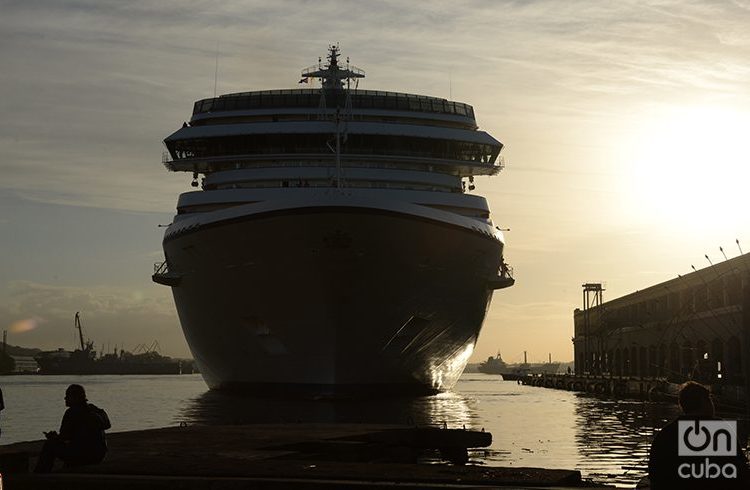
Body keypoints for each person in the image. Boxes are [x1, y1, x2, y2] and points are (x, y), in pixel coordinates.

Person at [648, 381, 750, 489]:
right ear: (704, 402)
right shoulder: (718, 430)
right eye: (710, 399)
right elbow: (741, 472)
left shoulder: (665, 434)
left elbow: (656, 475)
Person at [34, 384, 111, 473]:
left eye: (67, 396)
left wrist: (53, 437)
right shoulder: (95, 410)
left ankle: (40, 473)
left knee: (49, 445)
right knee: (74, 447)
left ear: (75, 397)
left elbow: (64, 436)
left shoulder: (71, 412)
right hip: (98, 455)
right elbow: (107, 425)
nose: (65, 399)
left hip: (83, 455)